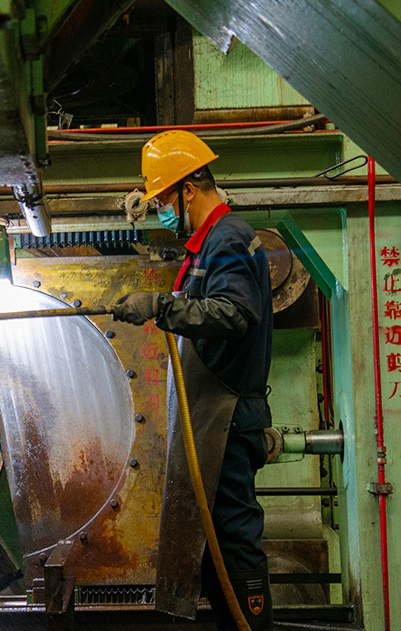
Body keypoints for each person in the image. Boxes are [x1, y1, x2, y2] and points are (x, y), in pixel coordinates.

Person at [112, 130, 273, 631]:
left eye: (163, 200)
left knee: (233, 540)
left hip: (228, 421)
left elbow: (234, 313)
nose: (162, 211)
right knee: (215, 547)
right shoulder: (206, 246)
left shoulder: (227, 238)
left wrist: (160, 306)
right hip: (214, 421)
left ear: (188, 189)